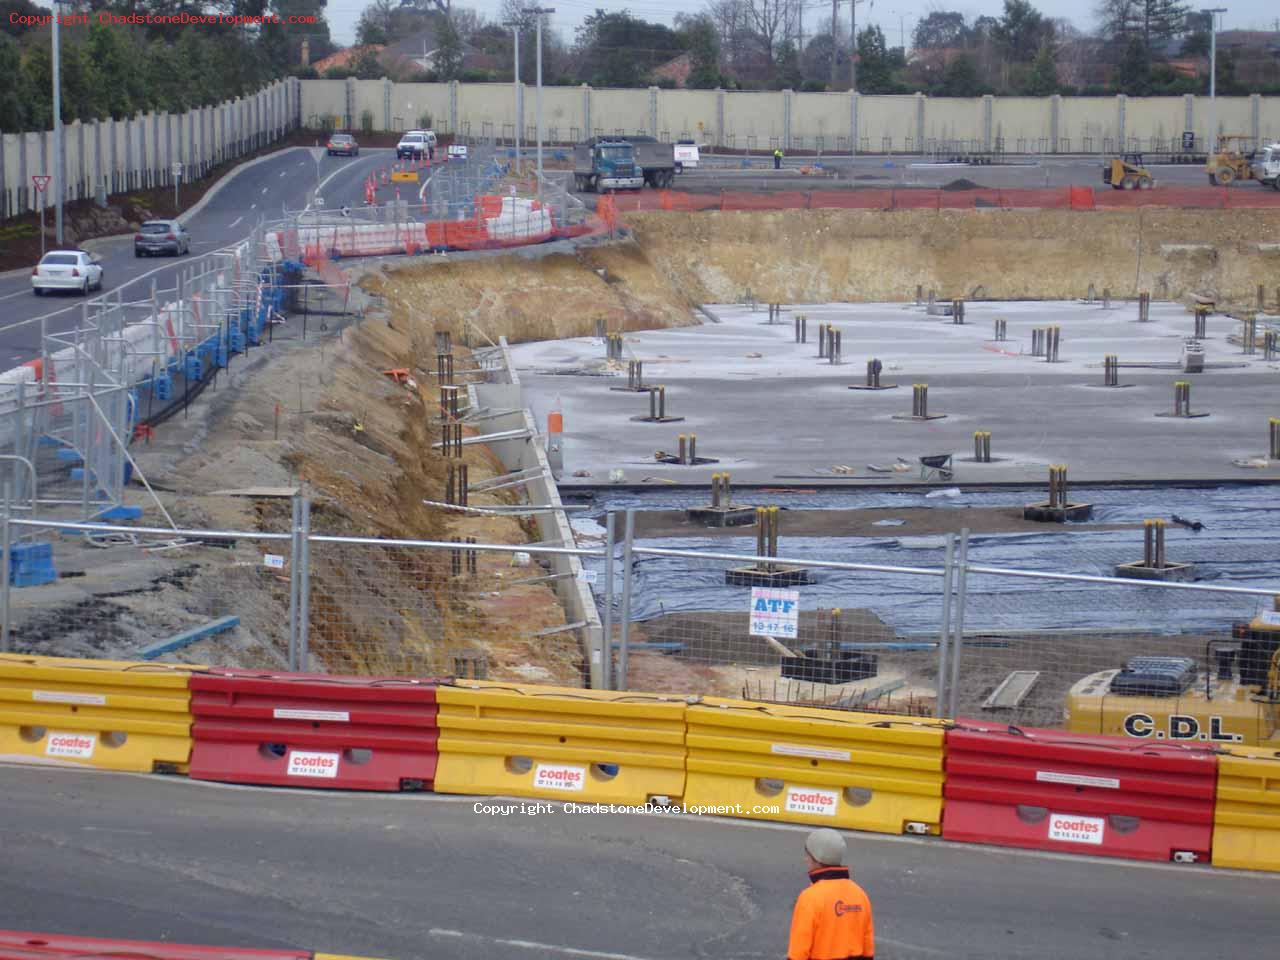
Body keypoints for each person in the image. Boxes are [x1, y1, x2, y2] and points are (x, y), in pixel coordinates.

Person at [787, 829, 874, 960]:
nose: (806, 859)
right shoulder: (860, 894)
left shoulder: (810, 898)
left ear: (815, 858)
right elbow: (868, 949)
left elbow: (798, 953)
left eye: (808, 855)